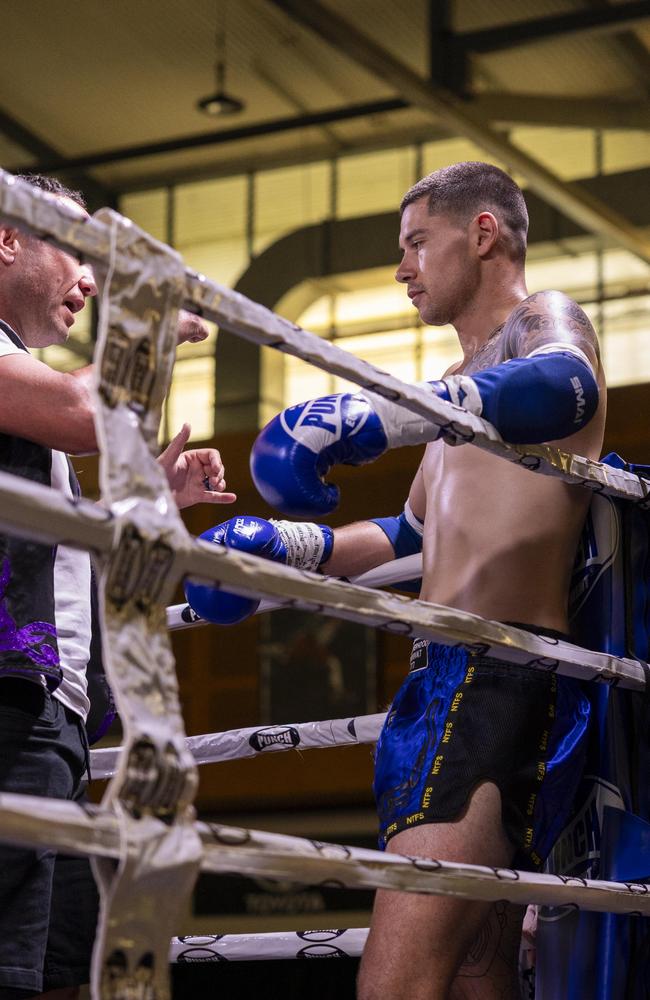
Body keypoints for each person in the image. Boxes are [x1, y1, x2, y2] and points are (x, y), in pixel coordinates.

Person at [187, 161, 606, 998]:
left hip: (495, 671)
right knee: (476, 973)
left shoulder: (539, 325)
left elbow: (569, 386)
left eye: (417, 242)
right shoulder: (459, 410)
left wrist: (376, 414)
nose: (402, 267)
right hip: (447, 679)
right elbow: (408, 536)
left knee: (395, 982)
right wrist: (285, 549)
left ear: (482, 234)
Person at [0, 173, 236, 1000]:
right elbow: (84, 410)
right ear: (8, 240)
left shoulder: (21, 386)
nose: (92, 280)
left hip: (51, 712)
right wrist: (150, 319)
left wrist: (146, 504)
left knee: (55, 971)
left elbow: (59, 551)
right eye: (74, 249)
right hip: (9, 706)